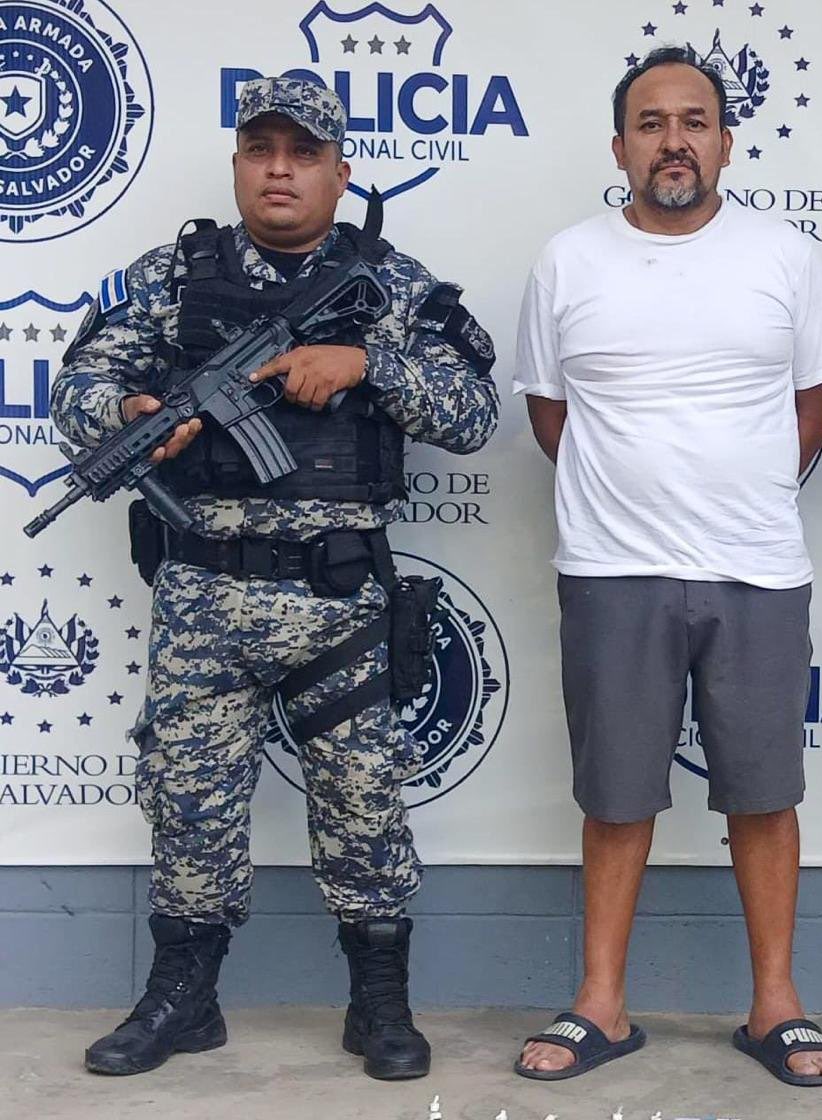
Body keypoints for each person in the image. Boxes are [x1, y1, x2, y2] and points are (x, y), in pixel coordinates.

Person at [51, 77, 498, 1081]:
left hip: (338, 598)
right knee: (188, 797)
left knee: (363, 798)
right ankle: (185, 998)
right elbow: (78, 385)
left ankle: (378, 1002)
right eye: (261, 150)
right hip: (202, 594)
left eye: (303, 153)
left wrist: (366, 365)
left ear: (340, 171)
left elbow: (473, 414)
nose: (280, 170)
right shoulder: (174, 276)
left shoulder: (390, 285)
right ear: (239, 165)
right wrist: (128, 410)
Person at [512, 47, 822, 1088]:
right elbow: (549, 411)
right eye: (651, 123)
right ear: (619, 146)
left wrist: (743, 489)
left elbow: (815, 401)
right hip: (612, 569)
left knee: (763, 793)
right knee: (616, 796)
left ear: (726, 143)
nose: (673, 141)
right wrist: (629, 495)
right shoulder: (567, 260)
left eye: (693, 122)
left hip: (756, 568)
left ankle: (775, 1005)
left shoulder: (785, 257)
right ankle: (600, 1004)